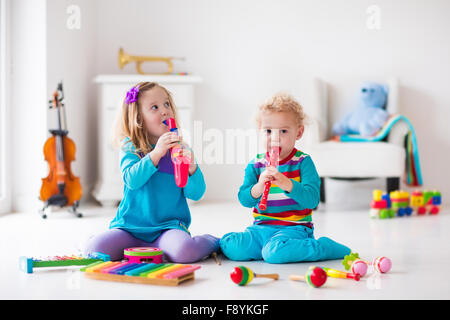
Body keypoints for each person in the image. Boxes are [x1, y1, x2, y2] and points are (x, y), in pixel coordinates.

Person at [85, 82, 219, 263]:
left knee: (185, 252)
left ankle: (214, 242)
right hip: (129, 228)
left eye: (167, 104)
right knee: (94, 250)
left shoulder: (181, 150)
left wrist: (192, 168)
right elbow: (131, 180)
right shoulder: (130, 147)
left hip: (168, 228)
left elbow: (196, 194)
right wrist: (156, 154)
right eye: (154, 107)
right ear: (138, 119)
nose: (165, 111)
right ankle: (152, 251)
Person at [219, 93, 351, 264]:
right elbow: (244, 199)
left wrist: (287, 184)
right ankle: (268, 248)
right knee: (230, 245)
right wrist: (259, 186)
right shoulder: (256, 164)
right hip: (261, 229)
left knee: (274, 253)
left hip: (294, 229)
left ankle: (323, 247)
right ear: (260, 131)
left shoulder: (303, 162)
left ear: (299, 132)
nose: (275, 138)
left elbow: (312, 200)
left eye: (283, 131)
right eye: (268, 131)